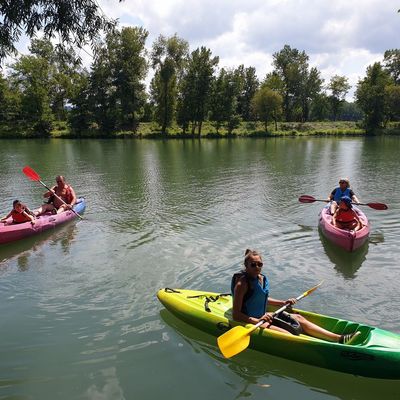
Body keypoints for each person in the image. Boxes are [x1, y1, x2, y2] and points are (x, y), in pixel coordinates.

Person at [231, 249, 360, 344]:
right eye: (253, 265)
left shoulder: (262, 278)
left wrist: (283, 303)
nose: (257, 267)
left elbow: (260, 298)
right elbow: (236, 314)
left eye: (260, 264)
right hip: (251, 320)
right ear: (246, 266)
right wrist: (256, 320)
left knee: (298, 318)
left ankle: (338, 338)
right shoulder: (242, 284)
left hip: (265, 316)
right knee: (287, 335)